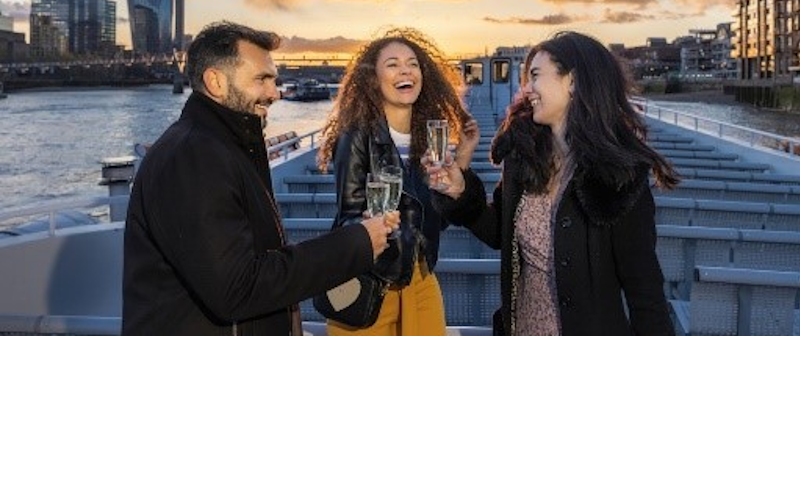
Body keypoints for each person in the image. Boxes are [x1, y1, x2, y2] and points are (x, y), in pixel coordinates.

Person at [122, 20, 397, 335]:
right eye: (262, 79)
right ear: (216, 82)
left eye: (275, 79)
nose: (275, 93)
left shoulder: (221, 146)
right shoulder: (194, 156)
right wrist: (356, 244)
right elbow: (236, 288)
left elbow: (250, 259)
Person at [426, 30, 677, 335]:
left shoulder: (617, 176)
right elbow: (499, 233)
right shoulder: (524, 158)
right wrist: (461, 191)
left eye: (535, 76)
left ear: (571, 81)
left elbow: (645, 291)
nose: (526, 90)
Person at [317, 27, 479, 336]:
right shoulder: (355, 136)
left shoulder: (428, 143)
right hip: (370, 279)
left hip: (419, 275)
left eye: (413, 63)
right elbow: (349, 215)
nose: (405, 69)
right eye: (392, 64)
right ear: (372, 80)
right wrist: (369, 223)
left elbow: (437, 223)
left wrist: (463, 158)